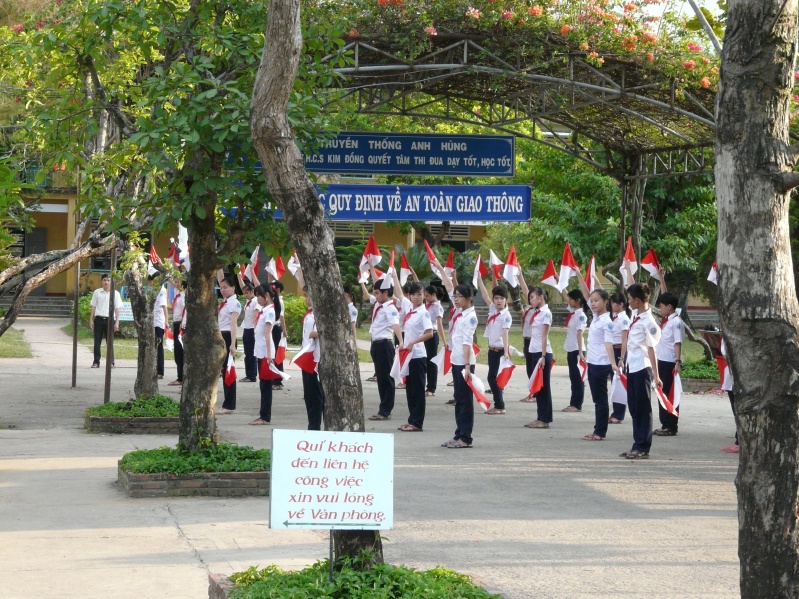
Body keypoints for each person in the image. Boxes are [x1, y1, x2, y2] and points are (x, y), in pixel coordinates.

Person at [620, 282, 662, 459]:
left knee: (643, 408)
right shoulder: (636, 316)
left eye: (630, 299)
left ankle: (643, 447)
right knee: (634, 407)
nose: (628, 302)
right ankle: (636, 444)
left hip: (643, 368)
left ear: (637, 300)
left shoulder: (648, 322)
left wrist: (656, 376)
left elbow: (652, 349)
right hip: (632, 366)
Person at [440, 283, 478, 448]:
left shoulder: (470, 317)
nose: (455, 299)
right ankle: (459, 433)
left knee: (465, 401)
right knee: (459, 399)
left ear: (468, 298)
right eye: (454, 296)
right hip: (456, 361)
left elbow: (467, 342)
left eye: (459, 296)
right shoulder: (460, 313)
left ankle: (465, 437)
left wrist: (467, 366)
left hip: (464, 363)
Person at [396, 281, 434, 432]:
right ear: (409, 296)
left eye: (419, 294)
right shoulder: (411, 311)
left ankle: (417, 423)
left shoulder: (423, 313)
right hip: (408, 356)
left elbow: (430, 333)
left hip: (418, 355)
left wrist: (413, 342)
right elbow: (399, 293)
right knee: (410, 389)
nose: (416, 297)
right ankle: (411, 420)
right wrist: (393, 275)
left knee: (417, 391)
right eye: (413, 294)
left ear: (424, 295)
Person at [581, 289, 616, 441]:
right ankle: (598, 430)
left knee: (600, 399)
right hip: (592, 362)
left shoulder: (607, 322)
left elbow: (609, 343)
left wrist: (613, 363)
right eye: (592, 301)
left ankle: (600, 432)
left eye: (596, 300)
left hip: (601, 363)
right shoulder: (596, 317)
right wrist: (580, 277)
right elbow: (586, 294)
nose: (593, 303)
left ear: (605, 301)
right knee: (597, 399)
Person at [519, 280, 554, 429]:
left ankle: (545, 419)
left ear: (541, 297)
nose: (530, 300)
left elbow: (545, 336)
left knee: (543, 387)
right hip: (534, 350)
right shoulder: (537, 312)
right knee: (538, 386)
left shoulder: (546, 313)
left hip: (542, 353)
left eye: (532, 297)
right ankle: (540, 417)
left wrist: (543, 356)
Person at [367, 277, 402, 421]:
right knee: (381, 378)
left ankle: (386, 410)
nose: (375, 296)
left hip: (384, 344)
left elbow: (395, 325)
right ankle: (383, 407)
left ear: (385, 293)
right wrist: (371, 267)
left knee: (386, 378)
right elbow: (378, 281)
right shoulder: (379, 304)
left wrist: (401, 341)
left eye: (377, 293)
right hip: (376, 344)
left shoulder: (390, 308)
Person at [476, 273, 512, 414]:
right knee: (493, 378)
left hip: (500, 350)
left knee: (493, 378)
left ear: (506, 300)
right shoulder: (493, 309)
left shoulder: (506, 315)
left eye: (501, 298)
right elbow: (485, 296)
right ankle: (499, 404)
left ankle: (500, 406)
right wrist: (479, 280)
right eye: (496, 298)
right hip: (492, 350)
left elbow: (505, 332)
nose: (498, 301)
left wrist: (506, 351)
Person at [654, 290, 683, 436]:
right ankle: (664, 423)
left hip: (669, 362)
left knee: (669, 393)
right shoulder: (667, 321)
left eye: (661, 306)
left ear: (669, 306)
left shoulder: (676, 322)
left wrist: (677, 361)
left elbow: (677, 343)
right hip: (661, 360)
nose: (660, 309)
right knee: (661, 392)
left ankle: (671, 425)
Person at [216, 272, 241, 415]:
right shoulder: (225, 302)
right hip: (221, 336)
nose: (222, 290)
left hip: (228, 337)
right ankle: (227, 403)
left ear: (233, 287)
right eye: (221, 287)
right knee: (224, 371)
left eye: (225, 287)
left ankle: (230, 405)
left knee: (228, 371)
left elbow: (233, 324)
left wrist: (232, 343)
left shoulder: (234, 303)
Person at [250, 285, 275, 425]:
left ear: (266, 295)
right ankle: (263, 415)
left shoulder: (269, 311)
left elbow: (268, 333)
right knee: (263, 385)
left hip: (266, 353)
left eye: (258, 296)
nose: (257, 299)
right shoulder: (264, 310)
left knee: (265, 386)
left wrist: (269, 355)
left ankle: (265, 417)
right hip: (261, 352)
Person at [561, 289, 588, 413]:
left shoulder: (581, 316)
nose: (569, 301)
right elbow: (566, 297)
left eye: (572, 299)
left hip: (577, 349)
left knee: (578, 378)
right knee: (573, 378)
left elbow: (579, 334)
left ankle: (577, 404)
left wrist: (580, 353)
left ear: (578, 301)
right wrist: (561, 285)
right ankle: (573, 403)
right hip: (571, 348)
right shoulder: (573, 312)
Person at [89, 273, 122, 368]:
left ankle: (111, 362)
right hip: (99, 319)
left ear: (111, 282)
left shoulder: (115, 293)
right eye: (104, 280)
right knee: (97, 342)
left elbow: (117, 308)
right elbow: (93, 306)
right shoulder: (97, 292)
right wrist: (91, 319)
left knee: (109, 342)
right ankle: (96, 362)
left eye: (108, 280)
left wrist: (117, 322)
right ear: (101, 281)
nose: (106, 282)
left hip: (110, 320)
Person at [608, 292, 631, 423]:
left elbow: (624, 340)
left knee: (619, 383)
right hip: (613, 350)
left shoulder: (624, 319)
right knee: (614, 382)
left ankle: (619, 414)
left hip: (619, 351)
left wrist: (621, 358)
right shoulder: (614, 317)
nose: (611, 305)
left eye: (613, 303)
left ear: (621, 304)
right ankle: (615, 412)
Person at [423, 285, 445, 397]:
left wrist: (444, 340)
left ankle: (431, 388)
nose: (425, 298)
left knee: (431, 361)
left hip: (432, 335)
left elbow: (439, 324)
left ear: (433, 295)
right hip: (424, 335)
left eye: (427, 296)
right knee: (423, 360)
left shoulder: (437, 307)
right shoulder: (426, 304)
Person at [719, 337, 738, 453]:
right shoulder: (727, 337)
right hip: (732, 376)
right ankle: (739, 439)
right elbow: (726, 355)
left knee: (740, 410)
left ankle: (740, 440)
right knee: (736, 410)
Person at [238, 282, 259, 383]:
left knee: (251, 353)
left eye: (247, 293)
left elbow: (256, 316)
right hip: (246, 327)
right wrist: (239, 276)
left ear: (252, 291)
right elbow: (241, 284)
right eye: (244, 293)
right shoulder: (248, 302)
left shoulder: (256, 302)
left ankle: (252, 375)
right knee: (247, 352)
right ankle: (248, 374)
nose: (245, 295)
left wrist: (255, 331)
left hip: (252, 329)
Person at [269, 280, 288, 389]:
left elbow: (281, 317)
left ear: (277, 290)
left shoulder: (279, 301)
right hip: (272, 328)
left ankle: (278, 380)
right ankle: (273, 377)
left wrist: (284, 330)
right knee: (272, 353)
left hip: (276, 328)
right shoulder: (272, 300)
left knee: (277, 354)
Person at [168, 279, 186, 386]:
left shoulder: (184, 296)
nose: (176, 284)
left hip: (181, 324)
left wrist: (182, 324)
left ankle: (181, 378)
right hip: (176, 323)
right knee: (177, 352)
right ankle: (180, 376)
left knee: (180, 351)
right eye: (176, 282)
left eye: (179, 282)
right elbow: (170, 281)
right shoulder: (177, 293)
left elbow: (184, 310)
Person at [153, 283, 168, 380]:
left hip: (158, 322)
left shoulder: (161, 290)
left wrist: (166, 321)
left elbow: (164, 307)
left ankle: (160, 371)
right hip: (153, 321)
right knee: (154, 347)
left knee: (159, 346)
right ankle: (155, 369)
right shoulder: (155, 289)